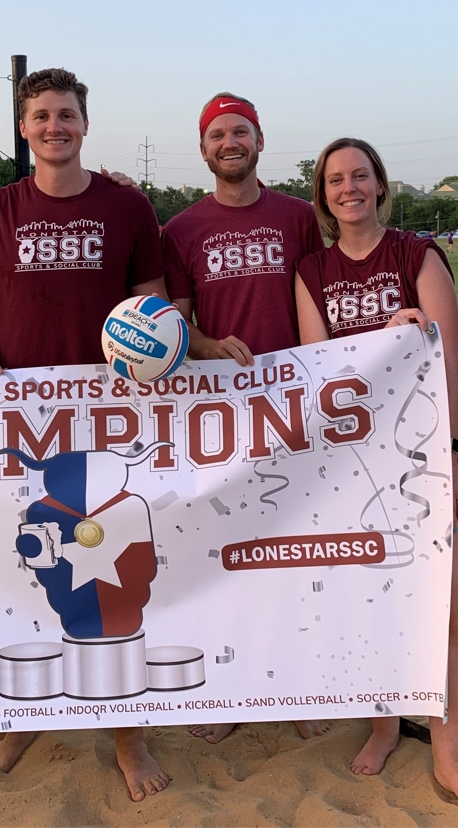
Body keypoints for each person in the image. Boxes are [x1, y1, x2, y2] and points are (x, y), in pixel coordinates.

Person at [0, 67, 172, 802]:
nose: (54, 125)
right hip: (25, 421)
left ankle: (127, 735)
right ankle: (27, 714)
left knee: (109, 573)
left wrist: (158, 354)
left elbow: (152, 307)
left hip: (111, 420)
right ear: (24, 127)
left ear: (85, 123)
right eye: (41, 115)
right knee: (29, 566)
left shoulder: (126, 204)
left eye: (66, 114)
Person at [292, 138, 458, 821]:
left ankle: (448, 758)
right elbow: (317, 372)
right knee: (375, 608)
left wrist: (441, 449)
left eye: (359, 175)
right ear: (322, 194)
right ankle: (384, 723)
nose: (348, 187)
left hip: (425, 458)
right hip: (354, 467)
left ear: (381, 185)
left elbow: (446, 360)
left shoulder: (417, 254)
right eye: (334, 179)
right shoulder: (311, 269)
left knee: (445, 610)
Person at [159, 92, 328, 746]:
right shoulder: (180, 229)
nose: (229, 142)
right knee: (220, 555)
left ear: (259, 140)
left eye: (240, 131)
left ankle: (295, 682)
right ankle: (227, 688)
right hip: (216, 414)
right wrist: (206, 345)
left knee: (292, 549)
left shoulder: (297, 216)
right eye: (217, 134)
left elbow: (326, 290)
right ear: (203, 149)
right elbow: (175, 320)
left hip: (293, 406)